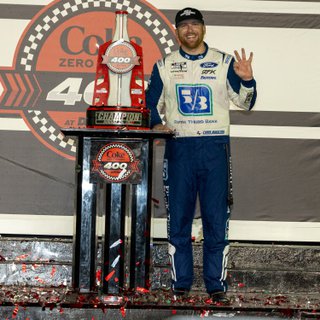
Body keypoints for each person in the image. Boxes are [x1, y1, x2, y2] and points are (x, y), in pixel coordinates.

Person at [146, 7, 257, 304]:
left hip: (214, 149)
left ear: (204, 28)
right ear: (176, 31)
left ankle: (215, 285)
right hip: (179, 148)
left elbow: (247, 103)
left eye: (195, 24)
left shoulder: (224, 62)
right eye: (184, 26)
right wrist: (155, 124)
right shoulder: (164, 65)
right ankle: (180, 284)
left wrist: (247, 80)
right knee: (178, 220)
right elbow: (149, 106)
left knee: (215, 220)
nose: (190, 30)